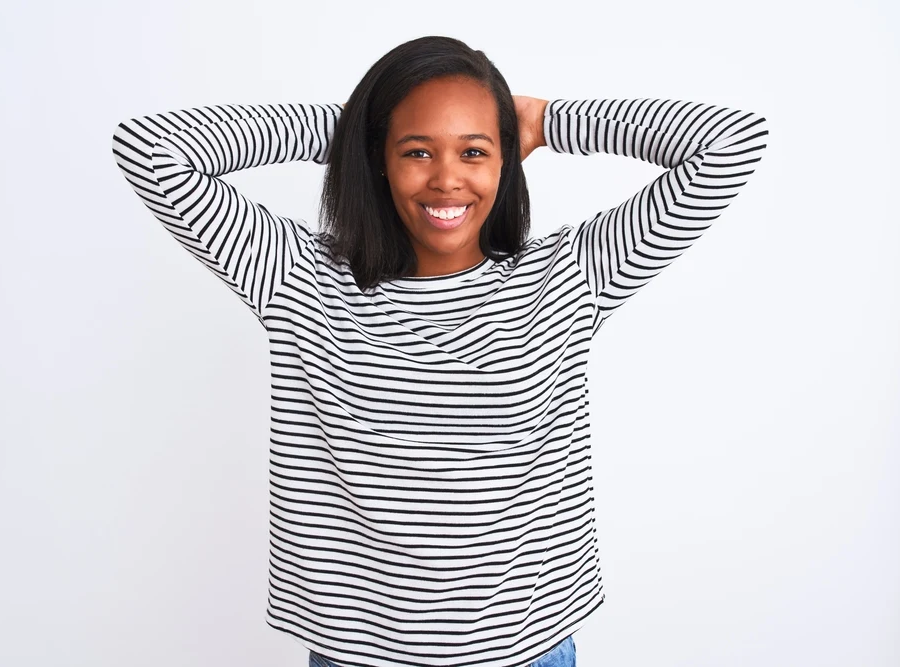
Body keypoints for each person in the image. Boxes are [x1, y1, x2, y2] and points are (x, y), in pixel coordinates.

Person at [111, 34, 768, 667]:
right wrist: (353, 132)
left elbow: (732, 143)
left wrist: (550, 120)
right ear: (380, 160)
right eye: (417, 152)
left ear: (506, 160)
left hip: (528, 651)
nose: (448, 179)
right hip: (357, 656)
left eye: (475, 151)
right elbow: (148, 148)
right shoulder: (295, 276)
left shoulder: (570, 276)